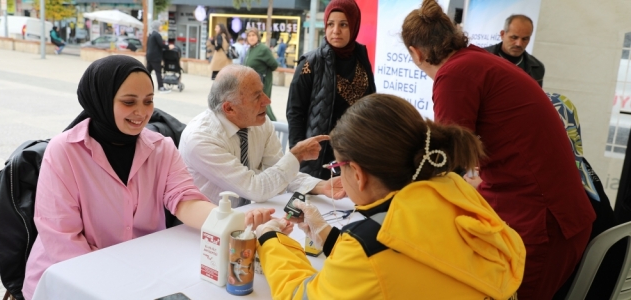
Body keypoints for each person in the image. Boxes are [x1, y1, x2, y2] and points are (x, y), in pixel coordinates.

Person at [21, 56, 274, 300]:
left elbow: (185, 200)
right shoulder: (64, 152)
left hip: (138, 271)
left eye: (148, 101)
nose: (141, 113)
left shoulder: (161, 148)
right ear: (100, 100)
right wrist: (117, 277)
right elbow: (62, 239)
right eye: (129, 102)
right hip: (68, 276)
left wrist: (230, 220)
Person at [400, 1, 595, 299]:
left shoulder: (455, 74)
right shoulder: (474, 60)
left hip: (544, 219)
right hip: (549, 206)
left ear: (415, 52)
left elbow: (443, 159)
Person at [253, 93, 526, 299]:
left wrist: (270, 238)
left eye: (337, 167)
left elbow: (301, 294)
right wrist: (325, 233)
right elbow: (401, 259)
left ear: (357, 174)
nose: (337, 174)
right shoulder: (454, 188)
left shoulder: (367, 244)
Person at [178, 65, 346, 208]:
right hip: (203, 226)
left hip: (244, 217)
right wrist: (296, 155)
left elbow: (276, 172)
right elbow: (256, 189)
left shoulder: (259, 122)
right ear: (229, 108)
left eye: (263, 92)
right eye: (257, 97)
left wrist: (320, 185)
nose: (267, 101)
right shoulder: (200, 139)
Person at [286, 0, 376, 180]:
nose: (336, 31)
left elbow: (370, 104)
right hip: (318, 158)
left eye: (343, 24)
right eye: (330, 24)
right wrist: (299, 155)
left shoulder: (361, 60)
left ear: (354, 26)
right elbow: (295, 112)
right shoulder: (310, 63)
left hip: (354, 154)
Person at [484, 15, 545, 87]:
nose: (519, 44)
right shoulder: (480, 59)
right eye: (514, 37)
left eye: (525, 39)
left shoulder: (536, 68)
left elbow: (535, 97)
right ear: (502, 34)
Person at [244, 27, 279, 121]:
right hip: (250, 83)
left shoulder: (263, 49)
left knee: (263, 104)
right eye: (249, 35)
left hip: (261, 82)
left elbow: (274, 65)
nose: (251, 38)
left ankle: (274, 125)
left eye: (253, 35)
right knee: (255, 106)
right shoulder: (250, 49)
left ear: (258, 37)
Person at [145, 20, 171, 93]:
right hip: (155, 57)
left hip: (149, 56)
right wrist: (169, 47)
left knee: (147, 73)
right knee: (158, 72)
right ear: (157, 26)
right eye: (160, 25)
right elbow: (161, 45)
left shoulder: (151, 34)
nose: (161, 27)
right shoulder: (157, 35)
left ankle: (141, 86)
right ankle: (161, 87)